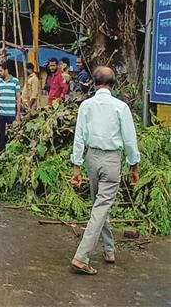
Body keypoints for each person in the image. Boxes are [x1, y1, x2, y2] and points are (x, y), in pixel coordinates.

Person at [69, 66, 140, 275]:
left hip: (91, 158)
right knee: (101, 206)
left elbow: (79, 137)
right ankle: (81, 257)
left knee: (99, 205)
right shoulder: (121, 107)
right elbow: (129, 139)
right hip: (111, 160)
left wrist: (76, 166)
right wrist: (133, 165)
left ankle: (109, 250)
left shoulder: (86, 106)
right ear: (113, 84)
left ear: (94, 82)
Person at [0, 61, 21, 153]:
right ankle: (2, 152)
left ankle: (11, 152)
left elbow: (18, 98)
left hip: (11, 113)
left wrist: (18, 113)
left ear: (6, 71)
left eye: (1, 71)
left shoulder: (15, 81)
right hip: (1, 113)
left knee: (13, 134)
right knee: (0, 134)